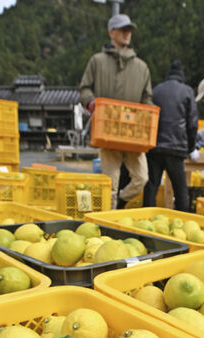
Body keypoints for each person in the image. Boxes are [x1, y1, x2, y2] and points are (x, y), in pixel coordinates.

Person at [79, 13, 153, 209]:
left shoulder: (142, 67)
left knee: (142, 178)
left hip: (133, 133)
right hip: (107, 130)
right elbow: (84, 88)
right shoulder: (97, 61)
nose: (127, 34)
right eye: (122, 30)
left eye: (129, 30)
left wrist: (148, 114)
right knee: (109, 183)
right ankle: (108, 224)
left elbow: (147, 98)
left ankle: (119, 203)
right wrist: (91, 103)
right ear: (111, 33)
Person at [142, 60, 198, 211]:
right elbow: (192, 123)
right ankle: (182, 221)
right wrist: (192, 147)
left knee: (151, 186)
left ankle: (145, 220)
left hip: (155, 147)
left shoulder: (157, 89)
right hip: (176, 148)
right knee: (180, 190)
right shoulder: (187, 91)